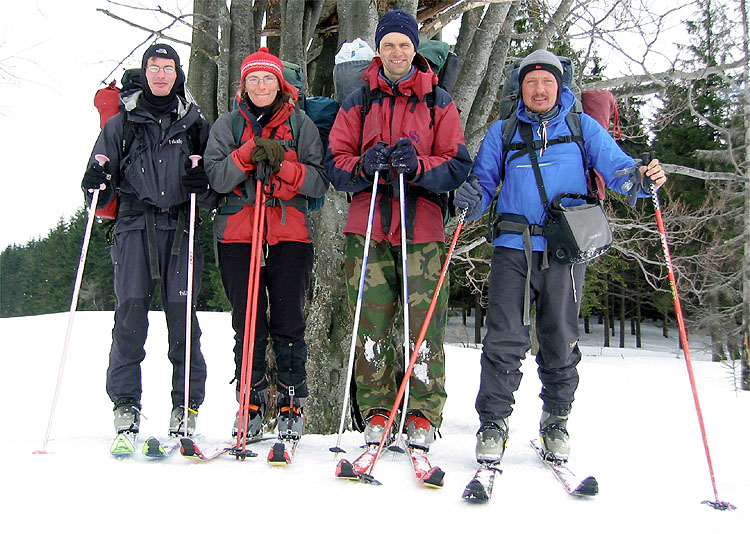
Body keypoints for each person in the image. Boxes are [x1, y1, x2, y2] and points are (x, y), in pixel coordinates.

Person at [453, 49, 667, 463]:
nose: (538, 89)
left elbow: (619, 170)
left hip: (565, 250)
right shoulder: (504, 131)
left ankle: (556, 419)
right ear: (520, 88)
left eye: (546, 81)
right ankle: (493, 423)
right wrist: (469, 199)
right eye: (531, 81)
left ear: (559, 86)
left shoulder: (582, 127)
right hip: (513, 247)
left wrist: (641, 178)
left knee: (560, 336)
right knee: (504, 338)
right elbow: (482, 184)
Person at [325, 9, 472, 451]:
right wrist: (362, 164)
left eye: (403, 45)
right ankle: (376, 408)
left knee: (425, 325)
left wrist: (420, 166)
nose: (396, 52)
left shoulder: (438, 101)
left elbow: (458, 162)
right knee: (370, 320)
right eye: (388, 45)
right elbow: (335, 161)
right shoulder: (358, 101)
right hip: (368, 224)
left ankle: (423, 413)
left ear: (414, 49)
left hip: (422, 227)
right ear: (379, 49)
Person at [82, 43, 216, 438]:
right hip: (133, 229)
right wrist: (94, 183)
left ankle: (185, 404)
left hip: (180, 227)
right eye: (154, 68)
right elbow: (98, 190)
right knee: (129, 319)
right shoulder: (120, 124)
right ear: (145, 73)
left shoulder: (194, 125)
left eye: (168, 68)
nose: (161, 75)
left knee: (183, 321)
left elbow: (212, 194)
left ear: (178, 74)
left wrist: (201, 183)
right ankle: (126, 404)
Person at [204, 47, 327, 440]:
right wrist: (246, 155)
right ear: (244, 84)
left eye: (268, 78)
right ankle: (251, 404)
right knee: (248, 323)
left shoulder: (302, 124)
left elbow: (318, 180)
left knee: (289, 320)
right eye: (253, 79)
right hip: (239, 235)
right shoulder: (227, 125)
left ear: (280, 83)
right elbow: (217, 178)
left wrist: (283, 164)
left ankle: (292, 403)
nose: (261, 85)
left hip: (289, 233)